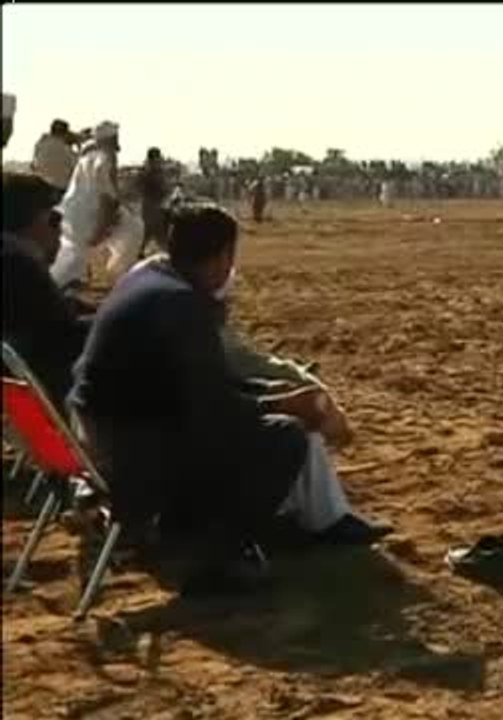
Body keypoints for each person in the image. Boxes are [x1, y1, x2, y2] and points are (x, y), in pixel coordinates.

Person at [70, 203, 388, 589]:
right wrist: (285, 405)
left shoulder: (149, 276)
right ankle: (211, 558)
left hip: (100, 436)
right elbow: (213, 412)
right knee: (284, 437)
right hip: (135, 453)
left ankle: (324, 521)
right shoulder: (182, 305)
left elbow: (199, 385)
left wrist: (273, 394)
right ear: (223, 257)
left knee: (284, 420)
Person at [2, 172, 93, 406]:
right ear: (32, 219)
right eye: (52, 217)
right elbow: (64, 336)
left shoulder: (13, 256)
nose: (59, 225)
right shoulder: (19, 262)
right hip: (41, 386)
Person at [50, 121, 129, 289]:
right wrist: (101, 227)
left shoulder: (88, 156)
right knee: (133, 228)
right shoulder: (105, 159)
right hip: (85, 217)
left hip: (72, 213)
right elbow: (107, 198)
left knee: (70, 257)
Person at [32, 120, 79, 196]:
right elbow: (79, 167)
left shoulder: (41, 144)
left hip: (41, 186)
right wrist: (79, 145)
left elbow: (33, 166)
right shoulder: (64, 149)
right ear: (65, 133)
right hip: (59, 190)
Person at [138, 147, 170, 256]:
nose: (159, 161)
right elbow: (162, 189)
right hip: (153, 210)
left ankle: (139, 254)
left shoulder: (150, 171)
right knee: (158, 236)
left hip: (151, 209)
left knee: (148, 235)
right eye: (157, 159)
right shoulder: (152, 173)